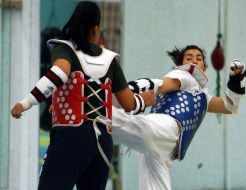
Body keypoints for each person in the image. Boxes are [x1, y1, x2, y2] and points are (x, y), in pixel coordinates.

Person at [10, 1, 155, 190]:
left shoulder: (64, 49)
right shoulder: (109, 60)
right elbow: (129, 104)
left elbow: (59, 74)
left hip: (71, 137)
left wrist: (27, 102)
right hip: (103, 142)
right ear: (96, 29)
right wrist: (144, 100)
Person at [111, 45, 246, 190]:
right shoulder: (185, 75)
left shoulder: (203, 98)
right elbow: (162, 84)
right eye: (189, 58)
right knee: (121, 121)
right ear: (181, 65)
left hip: (165, 147)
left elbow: (229, 106)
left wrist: (237, 79)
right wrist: (135, 89)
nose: (194, 61)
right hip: (164, 129)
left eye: (198, 58)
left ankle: (99, 110)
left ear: (205, 67)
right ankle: (98, 109)